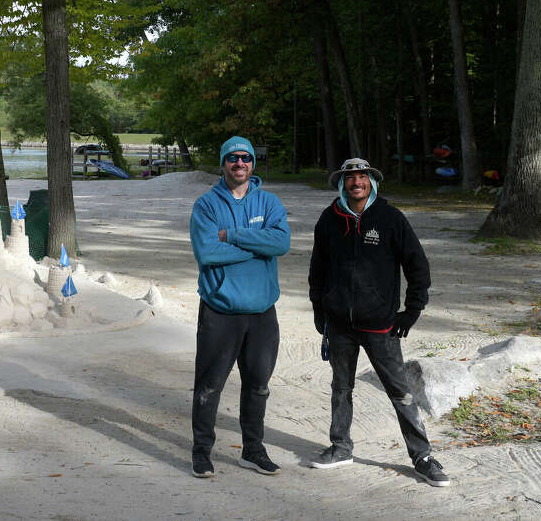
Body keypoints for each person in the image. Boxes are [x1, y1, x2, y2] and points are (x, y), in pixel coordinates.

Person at [307, 158, 451, 487]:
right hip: (340, 323)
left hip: (381, 326)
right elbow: (318, 269)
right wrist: (320, 308)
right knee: (341, 388)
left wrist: (412, 310)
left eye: (362, 177)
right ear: (341, 184)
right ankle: (340, 447)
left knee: (400, 393)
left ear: (371, 182)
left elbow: (418, 267)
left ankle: (423, 457)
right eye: (350, 178)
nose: (356, 182)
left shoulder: (390, 218)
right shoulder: (329, 219)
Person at [188, 136, 290, 479]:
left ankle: (253, 450)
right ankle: (201, 453)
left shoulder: (269, 201)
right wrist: (259, 245)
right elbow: (207, 253)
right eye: (232, 158)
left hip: (262, 313)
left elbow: (282, 243)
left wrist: (231, 235)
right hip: (220, 310)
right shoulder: (206, 205)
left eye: (246, 157)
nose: (239, 163)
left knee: (259, 384)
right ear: (223, 163)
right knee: (209, 386)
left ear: (253, 163)